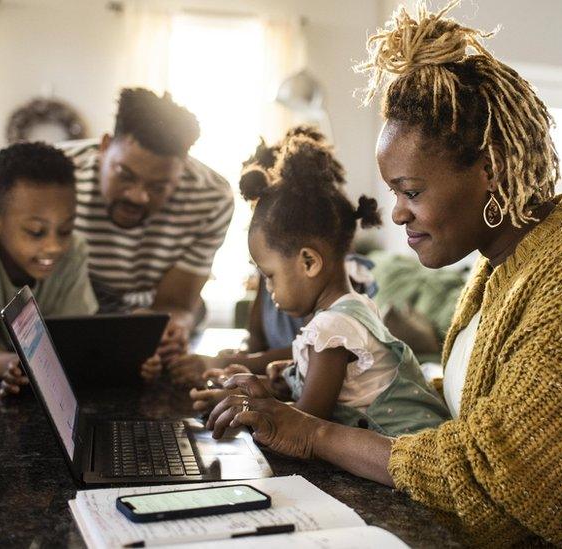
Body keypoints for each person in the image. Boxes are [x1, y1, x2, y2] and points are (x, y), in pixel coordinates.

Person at [202, 2, 562, 546]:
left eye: (411, 191)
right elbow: (479, 407)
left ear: (491, 170)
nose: (397, 214)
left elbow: (524, 478)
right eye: (395, 193)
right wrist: (319, 384)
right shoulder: (500, 265)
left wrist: (314, 433)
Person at [191, 131, 449, 437]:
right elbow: (343, 390)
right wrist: (283, 377)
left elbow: (305, 423)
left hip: (406, 457)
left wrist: (245, 404)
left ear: (309, 262)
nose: (268, 289)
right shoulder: (351, 310)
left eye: (270, 276)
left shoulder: (332, 328)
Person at [167, 128, 378, 386]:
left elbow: (318, 358)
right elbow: (257, 340)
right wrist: (237, 362)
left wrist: (230, 365)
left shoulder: (339, 289)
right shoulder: (275, 270)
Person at [0, 142, 162, 397]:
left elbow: (76, 343)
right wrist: (13, 364)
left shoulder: (75, 251)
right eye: (36, 232)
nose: (54, 247)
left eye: (66, 230)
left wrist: (132, 360)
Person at [61, 88, 234, 367]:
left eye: (158, 187)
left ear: (182, 170)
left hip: (151, 311)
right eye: (125, 175)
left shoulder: (212, 196)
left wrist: (169, 329)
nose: (138, 196)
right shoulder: (58, 175)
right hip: (71, 308)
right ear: (105, 146)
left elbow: (177, 303)